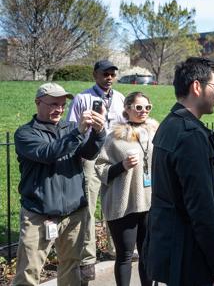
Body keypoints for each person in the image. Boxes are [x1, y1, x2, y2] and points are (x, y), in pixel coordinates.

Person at [144, 57, 214, 286]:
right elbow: (202, 207)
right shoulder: (190, 135)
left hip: (174, 251)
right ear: (197, 86)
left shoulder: (170, 124)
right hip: (191, 258)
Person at [13, 83, 105, 285]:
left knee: (71, 268)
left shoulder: (70, 128)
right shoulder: (25, 134)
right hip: (39, 214)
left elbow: (88, 153)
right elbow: (48, 153)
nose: (60, 109)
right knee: (28, 272)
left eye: (63, 105)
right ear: (38, 102)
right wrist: (78, 132)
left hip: (73, 214)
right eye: (54, 104)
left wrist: (98, 133)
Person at [66, 59, 125, 282]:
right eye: (104, 73)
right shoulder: (83, 99)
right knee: (89, 207)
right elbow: (72, 128)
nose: (109, 77)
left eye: (112, 74)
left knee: (114, 202)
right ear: (95, 75)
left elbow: (122, 126)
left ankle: (116, 248)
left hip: (112, 156)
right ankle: (87, 258)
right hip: (89, 156)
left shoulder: (119, 99)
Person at [94, 92, 158, 286]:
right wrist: (122, 165)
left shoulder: (156, 133)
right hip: (124, 204)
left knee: (148, 253)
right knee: (125, 255)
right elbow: (100, 167)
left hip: (150, 202)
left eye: (147, 107)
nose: (143, 111)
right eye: (138, 107)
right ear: (127, 109)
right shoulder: (114, 137)